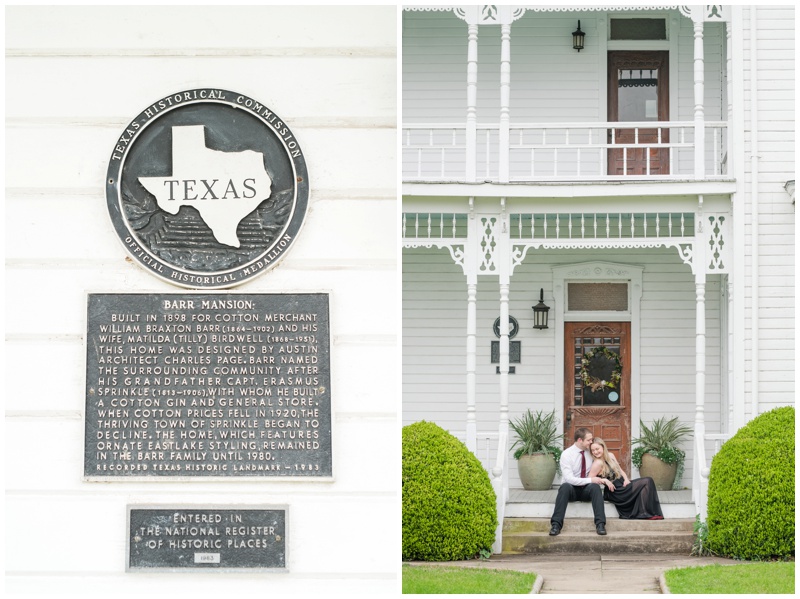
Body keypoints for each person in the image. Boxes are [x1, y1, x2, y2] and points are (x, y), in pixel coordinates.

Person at [588, 437, 664, 520]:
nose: (595, 452)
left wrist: (626, 479)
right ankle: (644, 513)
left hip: (622, 484)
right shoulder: (597, 463)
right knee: (647, 481)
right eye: (593, 450)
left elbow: (620, 470)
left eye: (597, 449)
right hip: (615, 491)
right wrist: (605, 480)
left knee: (645, 485)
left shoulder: (610, 455)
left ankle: (644, 512)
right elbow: (589, 479)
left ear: (603, 447)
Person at [549, 427, 607, 536]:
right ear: (580, 440)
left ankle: (600, 524)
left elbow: (605, 458)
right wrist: (590, 479)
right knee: (565, 486)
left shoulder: (590, 452)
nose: (591, 442)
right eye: (588, 440)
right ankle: (556, 525)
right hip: (571, 490)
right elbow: (569, 478)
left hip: (586, 490)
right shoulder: (567, 454)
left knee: (595, 487)